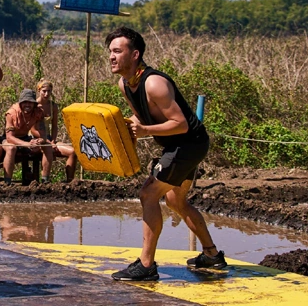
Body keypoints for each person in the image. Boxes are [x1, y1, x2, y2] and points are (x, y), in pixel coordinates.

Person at [106, 27, 225, 282]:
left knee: (148, 194)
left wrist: (145, 130)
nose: (111, 56)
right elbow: (140, 116)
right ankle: (212, 255)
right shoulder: (125, 84)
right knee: (175, 201)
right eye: (110, 51)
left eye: (117, 51)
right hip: (180, 146)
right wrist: (126, 127)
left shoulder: (154, 83)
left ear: (135, 54)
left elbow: (180, 124)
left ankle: (146, 266)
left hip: (188, 144)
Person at [1, 89, 54, 185]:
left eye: (30, 102)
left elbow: (43, 135)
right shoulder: (11, 113)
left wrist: (39, 141)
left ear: (34, 104)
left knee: (47, 146)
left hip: (26, 137)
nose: (27, 105)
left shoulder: (38, 112)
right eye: (25, 102)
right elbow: (9, 138)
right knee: (11, 148)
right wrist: (27, 144)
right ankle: (7, 182)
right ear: (21, 103)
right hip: (8, 139)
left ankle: (45, 180)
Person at [35, 79, 77, 182]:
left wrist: (53, 140)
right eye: (44, 91)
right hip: (36, 138)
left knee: (72, 152)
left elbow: (54, 126)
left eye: (49, 91)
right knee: (47, 148)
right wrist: (46, 141)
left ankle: (70, 181)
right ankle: (45, 180)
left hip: (49, 138)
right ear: (39, 90)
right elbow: (32, 128)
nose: (46, 94)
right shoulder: (34, 105)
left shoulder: (53, 106)